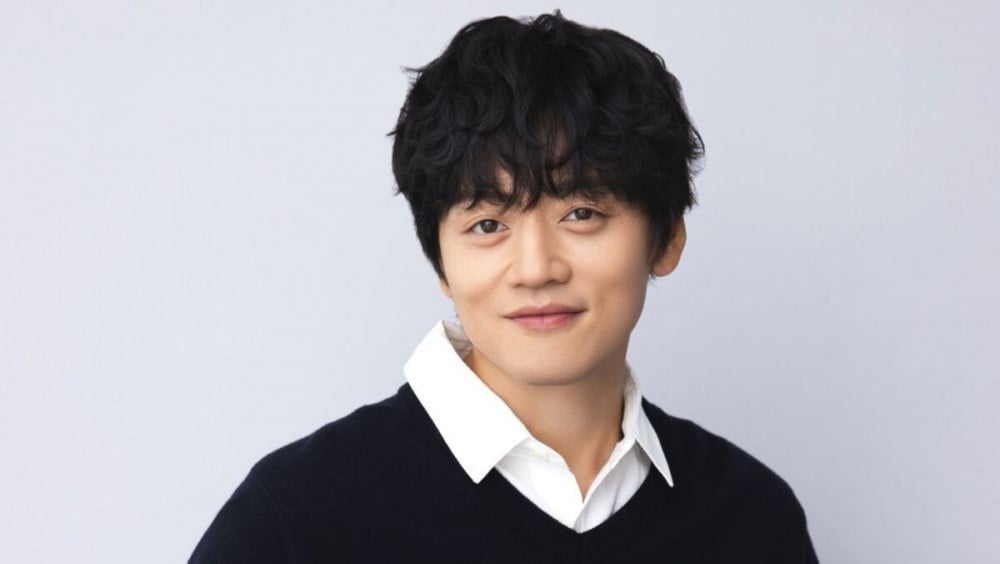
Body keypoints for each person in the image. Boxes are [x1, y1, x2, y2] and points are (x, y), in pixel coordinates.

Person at [190, 11, 819, 563]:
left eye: (582, 214)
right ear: (441, 262)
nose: (536, 268)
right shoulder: (297, 519)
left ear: (667, 239)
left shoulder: (751, 518)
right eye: (488, 225)